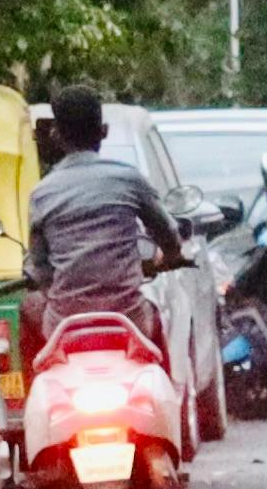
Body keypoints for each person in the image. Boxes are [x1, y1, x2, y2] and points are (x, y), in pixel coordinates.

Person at [27, 89, 190, 348]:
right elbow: (168, 235)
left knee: (28, 308)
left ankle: (36, 378)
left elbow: (41, 266)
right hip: (130, 320)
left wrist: (56, 293)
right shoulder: (130, 179)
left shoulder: (42, 193)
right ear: (103, 131)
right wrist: (168, 257)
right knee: (158, 321)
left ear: (56, 135)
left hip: (65, 326)